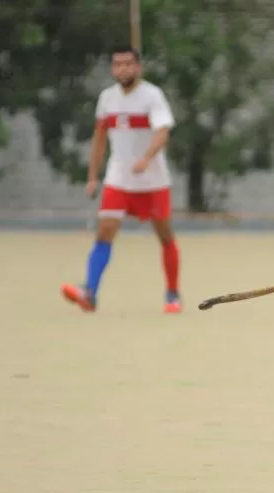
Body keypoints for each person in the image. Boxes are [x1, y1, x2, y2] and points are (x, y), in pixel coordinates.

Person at [61, 46, 181, 313]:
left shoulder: (152, 95)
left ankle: (172, 294)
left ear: (138, 67)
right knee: (104, 232)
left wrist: (146, 159)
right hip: (118, 179)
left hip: (153, 180)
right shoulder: (107, 98)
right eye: (117, 64)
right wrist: (93, 177)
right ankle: (89, 293)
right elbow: (99, 140)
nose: (123, 69)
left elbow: (162, 132)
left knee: (164, 235)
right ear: (113, 69)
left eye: (128, 64)